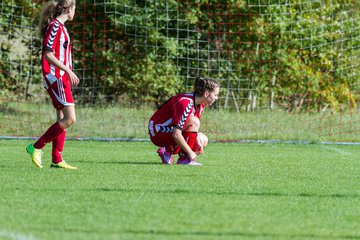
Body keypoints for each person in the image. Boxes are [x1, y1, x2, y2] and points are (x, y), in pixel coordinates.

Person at [26, 0, 79, 170]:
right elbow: (48, 54)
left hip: (60, 77)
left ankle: (57, 158)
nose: (75, 13)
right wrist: (68, 71)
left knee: (61, 118)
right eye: (74, 9)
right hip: (56, 78)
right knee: (70, 119)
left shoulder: (61, 28)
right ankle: (36, 146)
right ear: (68, 9)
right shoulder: (55, 27)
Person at [148, 76, 220, 166]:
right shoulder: (185, 103)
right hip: (158, 131)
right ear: (206, 94)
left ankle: (166, 151)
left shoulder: (200, 105)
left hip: (170, 130)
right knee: (194, 122)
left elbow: (189, 131)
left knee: (203, 139)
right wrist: (190, 152)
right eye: (215, 95)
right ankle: (184, 159)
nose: (216, 98)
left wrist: (196, 142)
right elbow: (176, 134)